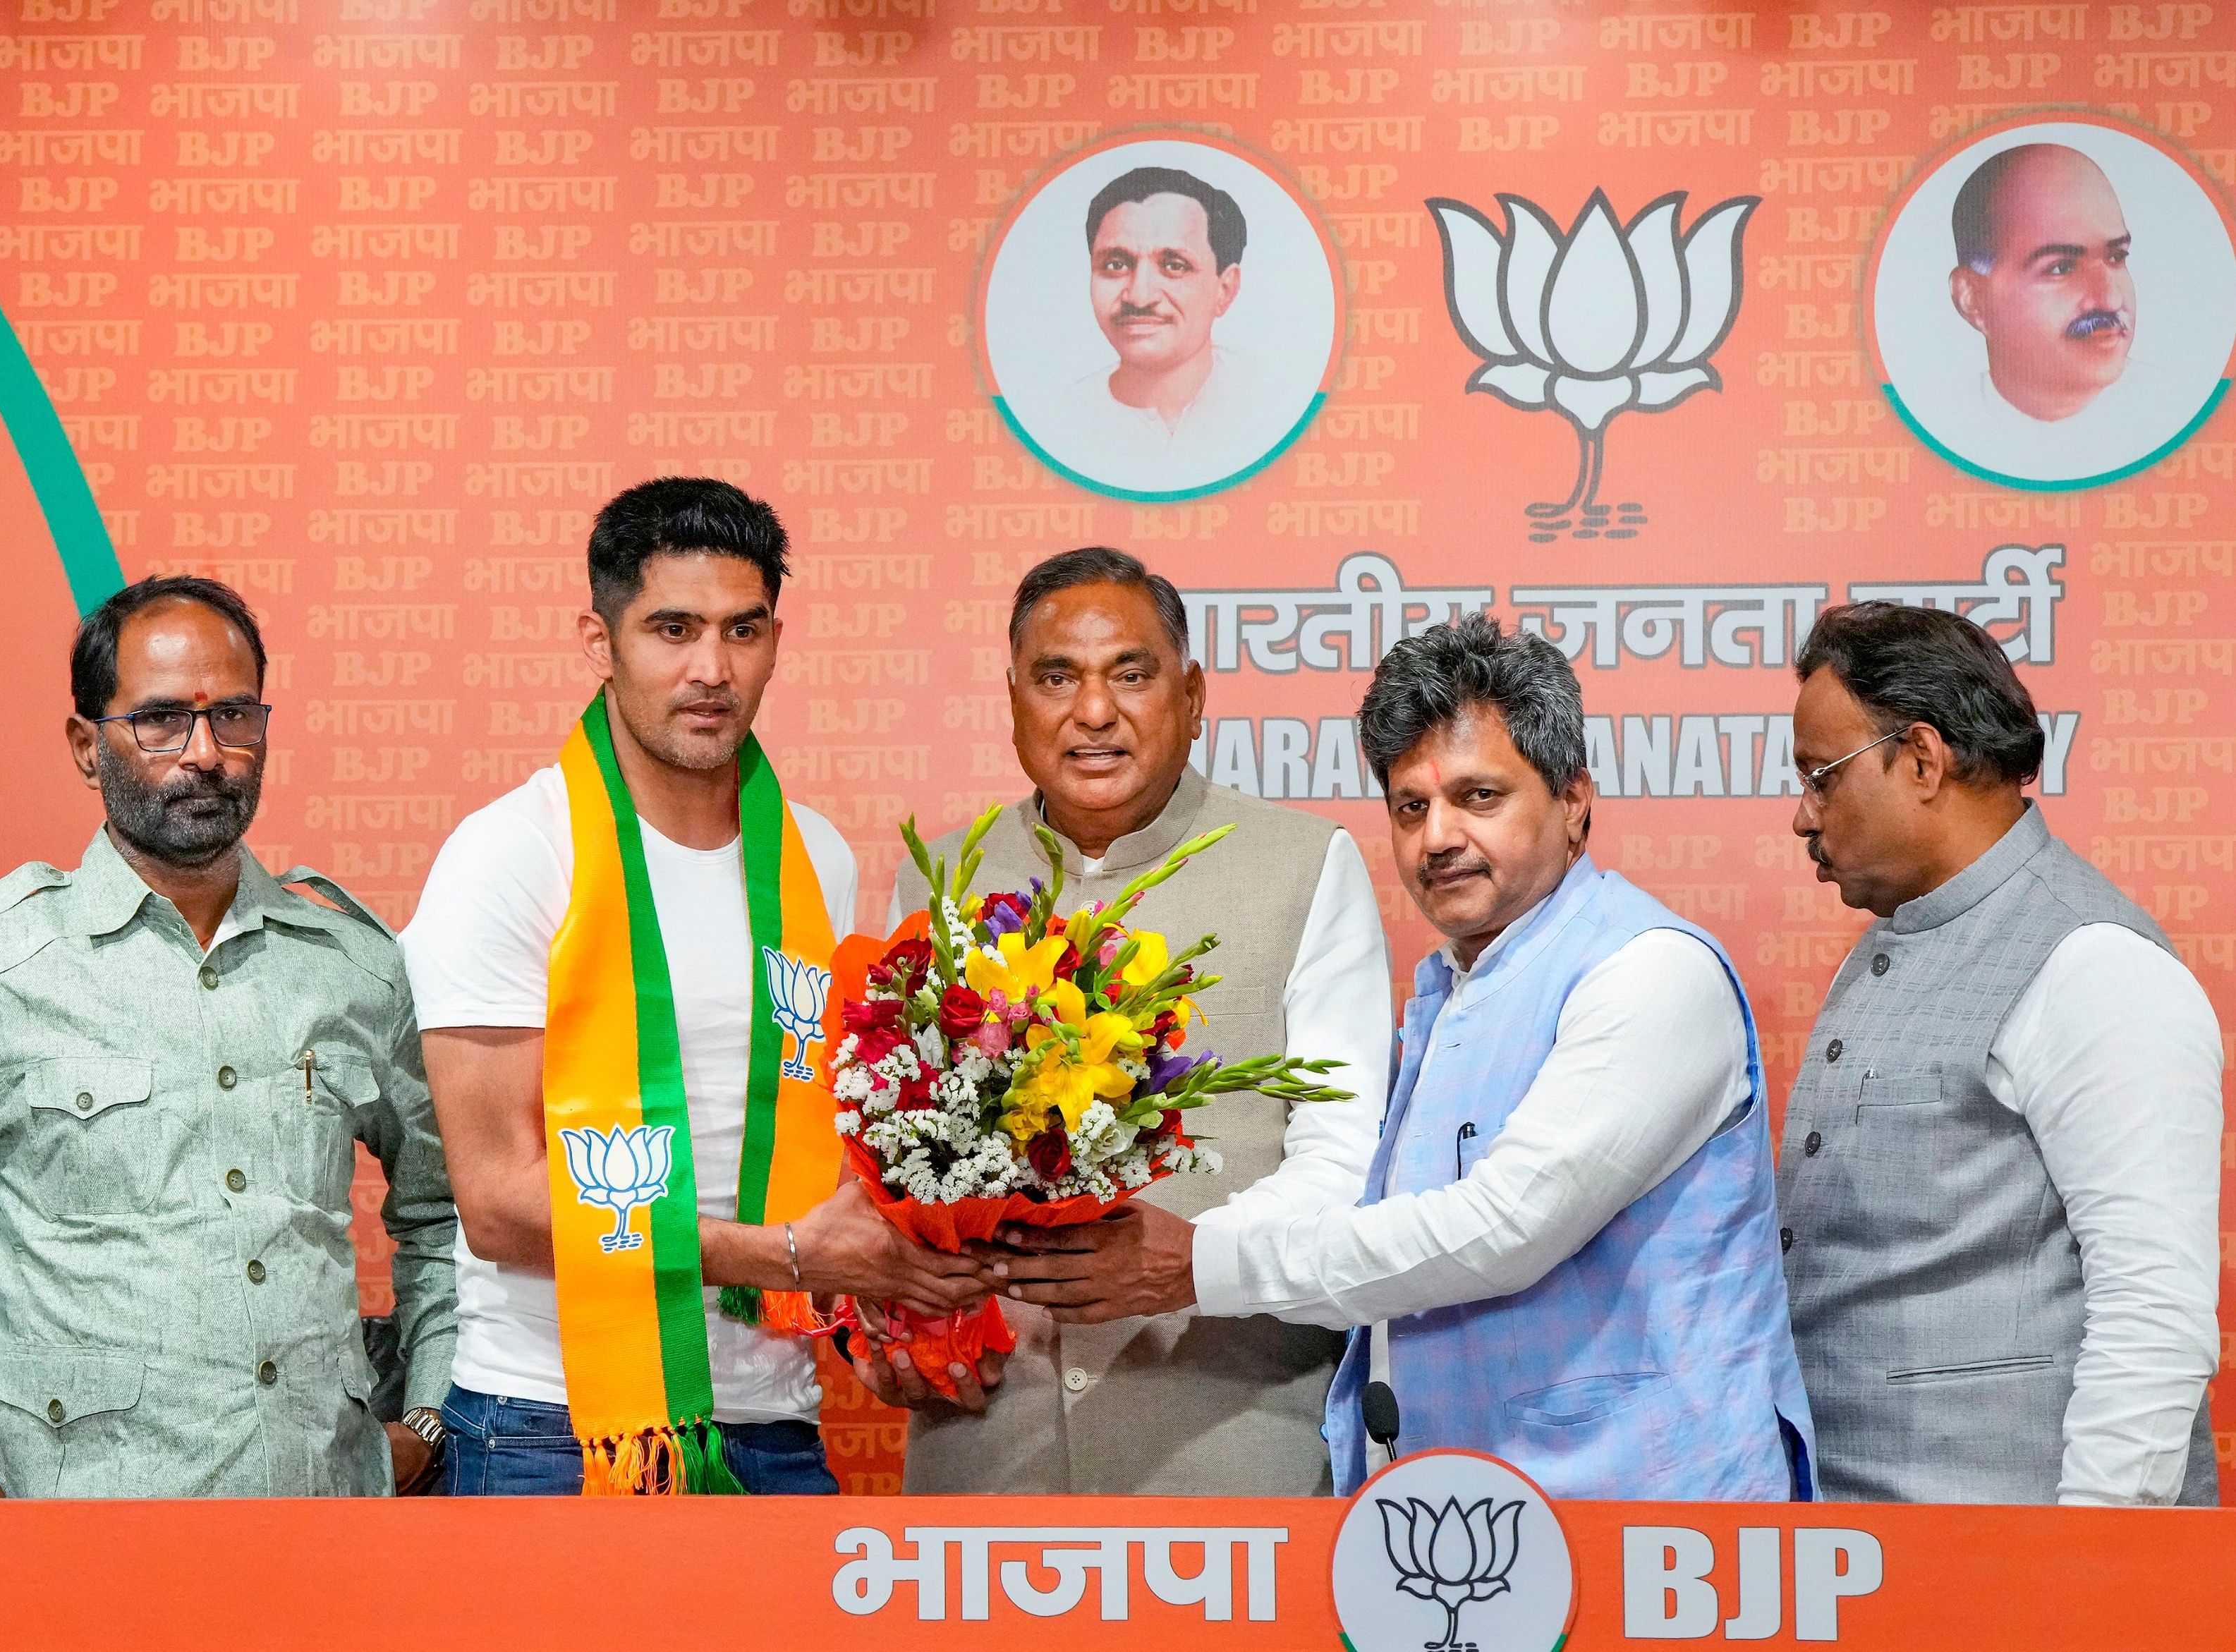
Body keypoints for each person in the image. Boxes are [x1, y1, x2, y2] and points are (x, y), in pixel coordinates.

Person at [990, 614, 1816, 1500]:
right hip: (1473, 1529)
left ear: (1573, 800)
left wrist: (1194, 1262)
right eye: (1411, 806)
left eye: (1479, 797)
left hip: (1656, 1526)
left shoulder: (1648, 970)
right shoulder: (1454, 991)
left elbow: (1501, 1229)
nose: (1438, 837)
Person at [0, 574, 456, 1498]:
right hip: (74, 1524)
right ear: (88, 744)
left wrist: (425, 1418)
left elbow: (443, 1216)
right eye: (160, 721)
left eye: (234, 716)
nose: (205, 754)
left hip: (323, 1517)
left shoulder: (352, 967)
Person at [402, 478, 986, 1495]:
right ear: (600, 640)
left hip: (773, 1417)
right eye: (671, 628)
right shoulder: (509, 855)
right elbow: (496, 1204)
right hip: (553, 1423)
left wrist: (904, 1293)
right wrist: (789, 1257)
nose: (709, 669)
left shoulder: (812, 858)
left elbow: (809, 1142)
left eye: (740, 630)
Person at [870, 547, 1395, 1495]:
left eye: (1130, 674)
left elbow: (1345, 1161)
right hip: (984, 1445)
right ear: (1013, 700)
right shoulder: (937, 877)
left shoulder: (1303, 864)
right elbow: (893, 1154)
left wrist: (1196, 1261)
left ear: (1190, 696)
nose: (1094, 711)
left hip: (1228, 1439)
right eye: (1056, 676)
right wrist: (888, 1314)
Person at [1779, 602, 2220, 1507]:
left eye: (1820, 776)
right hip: (1866, 1553)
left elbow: (2151, 1315)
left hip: (2017, 1565)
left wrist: (2088, 1570)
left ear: (1922, 759)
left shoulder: (2092, 961)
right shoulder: (1886, 946)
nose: (1801, 815)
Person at [1033, 167, 1268, 492]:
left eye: (1174, 265)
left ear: (1225, 290)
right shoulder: (1060, 420)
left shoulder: (1267, 400)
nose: (1139, 296)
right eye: (1116, 265)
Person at [1950, 143, 2139, 427]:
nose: (2110, 299)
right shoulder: (1946, 421)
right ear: (1972, 299)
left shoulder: (2175, 406)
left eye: (2116, 257)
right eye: (2061, 267)